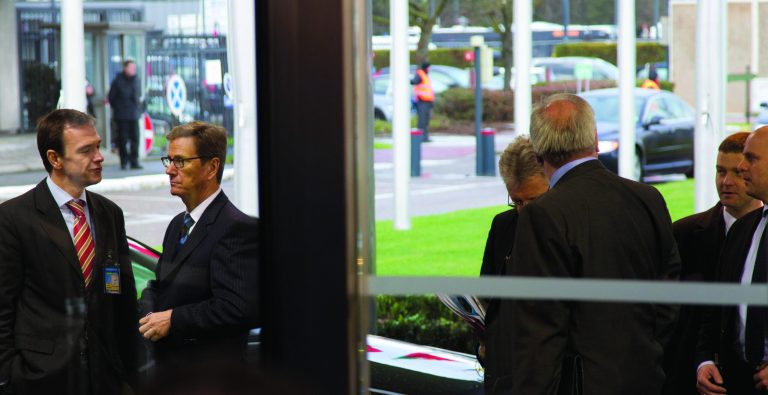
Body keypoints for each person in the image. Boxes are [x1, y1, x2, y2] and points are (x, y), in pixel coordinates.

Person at [496, 93, 680, 394]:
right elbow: (670, 292)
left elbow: (539, 329)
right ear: (593, 138)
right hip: (645, 377)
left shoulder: (543, 215)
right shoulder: (647, 198)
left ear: (539, 148)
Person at [0, 109, 138, 394]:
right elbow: (2, 307)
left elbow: (122, 300)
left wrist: (129, 375)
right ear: (55, 159)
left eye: (98, 146)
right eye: (86, 150)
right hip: (40, 380)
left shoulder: (109, 213)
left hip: (105, 380)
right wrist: (9, 376)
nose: (99, 157)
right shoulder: (14, 218)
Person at [138, 121, 259, 374]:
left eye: (180, 161)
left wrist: (173, 320)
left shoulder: (236, 228)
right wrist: (150, 315)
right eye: (168, 160)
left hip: (211, 378)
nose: (170, 170)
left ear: (211, 167)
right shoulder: (176, 225)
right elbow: (160, 286)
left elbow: (238, 307)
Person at [665, 132, 761, 395]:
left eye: (737, 173)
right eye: (720, 171)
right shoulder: (683, 234)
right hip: (687, 376)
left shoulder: (758, 233)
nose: (726, 182)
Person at [696, 126, 768, 395]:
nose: (742, 166)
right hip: (735, 383)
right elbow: (717, 310)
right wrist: (704, 361)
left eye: (751, 159)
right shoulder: (744, 229)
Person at [479, 136, 548, 393]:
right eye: (517, 202)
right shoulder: (503, 225)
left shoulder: (569, 227)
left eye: (534, 200)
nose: (525, 211)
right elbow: (486, 295)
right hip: (504, 373)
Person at [108, 60, 142, 170]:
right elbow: (111, 97)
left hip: (134, 115)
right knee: (123, 140)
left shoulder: (136, 80)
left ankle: (134, 161)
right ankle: (124, 161)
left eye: (134, 68)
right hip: (122, 116)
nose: (133, 70)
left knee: (135, 139)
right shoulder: (118, 81)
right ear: (125, 68)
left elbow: (138, 97)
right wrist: (119, 108)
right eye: (131, 68)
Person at [411, 62, 435, 142]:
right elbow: (414, 82)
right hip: (422, 101)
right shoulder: (420, 74)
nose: (429, 69)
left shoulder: (425, 75)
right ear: (426, 67)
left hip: (427, 101)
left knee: (426, 120)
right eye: (429, 68)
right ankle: (421, 137)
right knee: (422, 120)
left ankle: (425, 137)